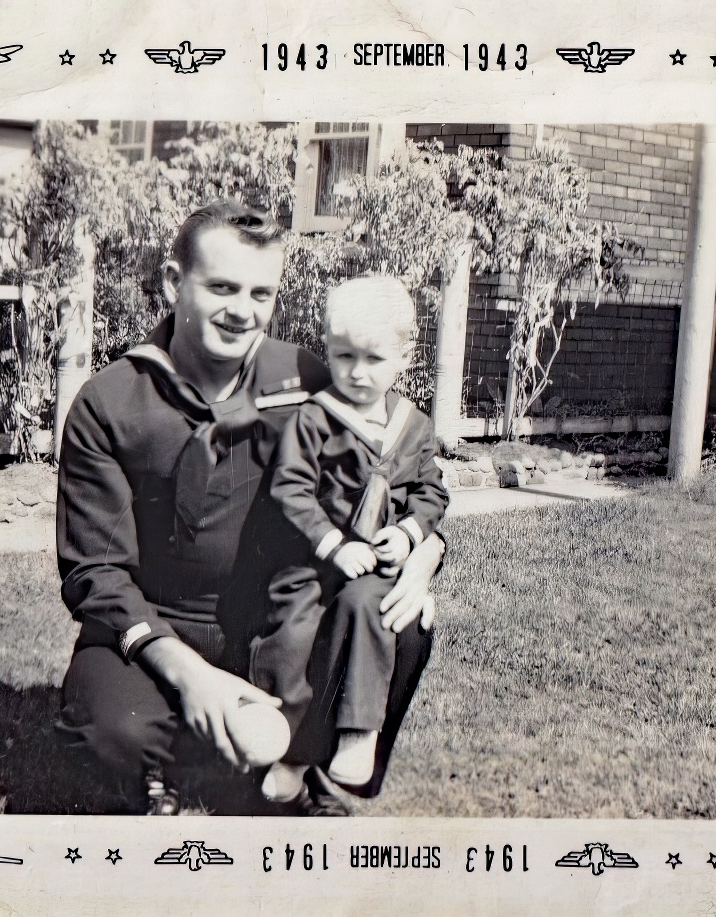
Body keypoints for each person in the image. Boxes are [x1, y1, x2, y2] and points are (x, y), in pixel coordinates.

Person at [53, 201, 443, 816]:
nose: (243, 310)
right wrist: (184, 671)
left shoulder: (309, 376)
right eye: (222, 287)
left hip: (278, 619)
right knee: (109, 730)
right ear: (171, 282)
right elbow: (94, 573)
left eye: (261, 292)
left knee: (398, 620)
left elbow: (389, 472)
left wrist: (424, 548)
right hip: (165, 623)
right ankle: (169, 767)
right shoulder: (110, 401)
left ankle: (310, 766)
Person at [252, 277, 449, 802]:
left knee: (372, 611)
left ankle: (359, 734)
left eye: (373, 359)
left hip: (376, 567)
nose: (357, 373)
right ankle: (289, 753)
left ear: (405, 357)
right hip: (314, 564)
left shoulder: (414, 426)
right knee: (294, 641)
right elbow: (289, 488)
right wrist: (334, 545)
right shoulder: (316, 418)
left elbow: (431, 492)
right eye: (342, 357)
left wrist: (409, 535)